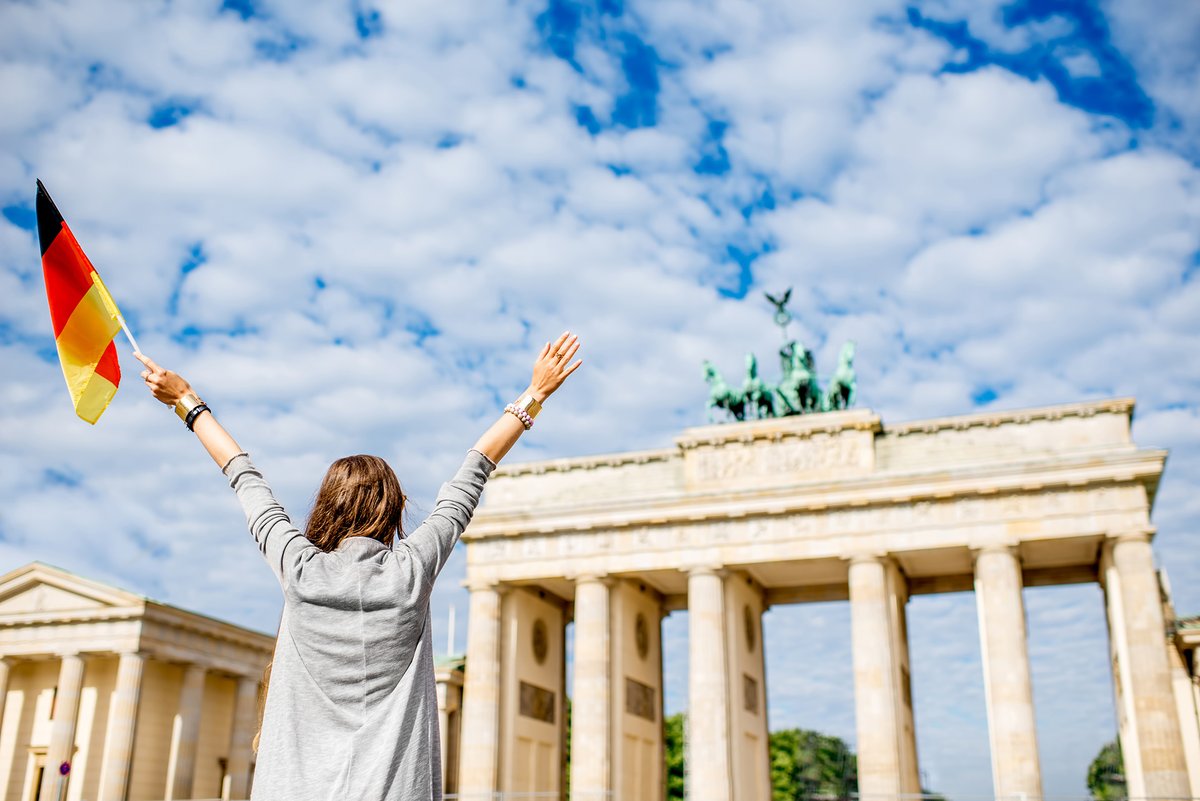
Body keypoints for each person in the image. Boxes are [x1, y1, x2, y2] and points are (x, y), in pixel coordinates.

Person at [134, 332, 583, 801]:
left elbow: (243, 475)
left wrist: (187, 401)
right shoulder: (413, 569)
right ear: (394, 509)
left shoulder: (298, 567)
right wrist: (535, 394)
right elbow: (475, 469)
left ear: (325, 505)